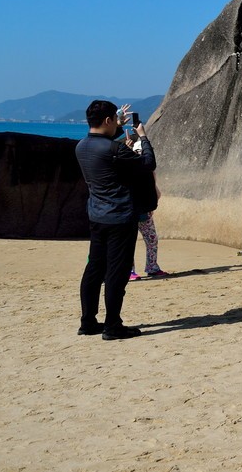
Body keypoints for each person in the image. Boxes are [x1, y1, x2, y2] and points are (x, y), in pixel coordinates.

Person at [74, 100, 156, 340]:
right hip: (120, 218)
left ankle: (88, 321)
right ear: (108, 120)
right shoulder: (115, 150)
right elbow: (148, 164)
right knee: (116, 273)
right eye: (115, 119)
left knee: (94, 269)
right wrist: (143, 138)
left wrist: (118, 128)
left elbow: (105, 146)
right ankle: (113, 326)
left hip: (97, 216)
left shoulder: (81, 147)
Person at [123, 128, 166, 280]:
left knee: (151, 239)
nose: (141, 153)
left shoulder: (148, 169)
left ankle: (151, 267)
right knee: (130, 241)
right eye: (138, 150)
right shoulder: (129, 167)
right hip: (131, 211)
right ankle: (130, 270)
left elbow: (155, 190)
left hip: (144, 210)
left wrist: (152, 205)